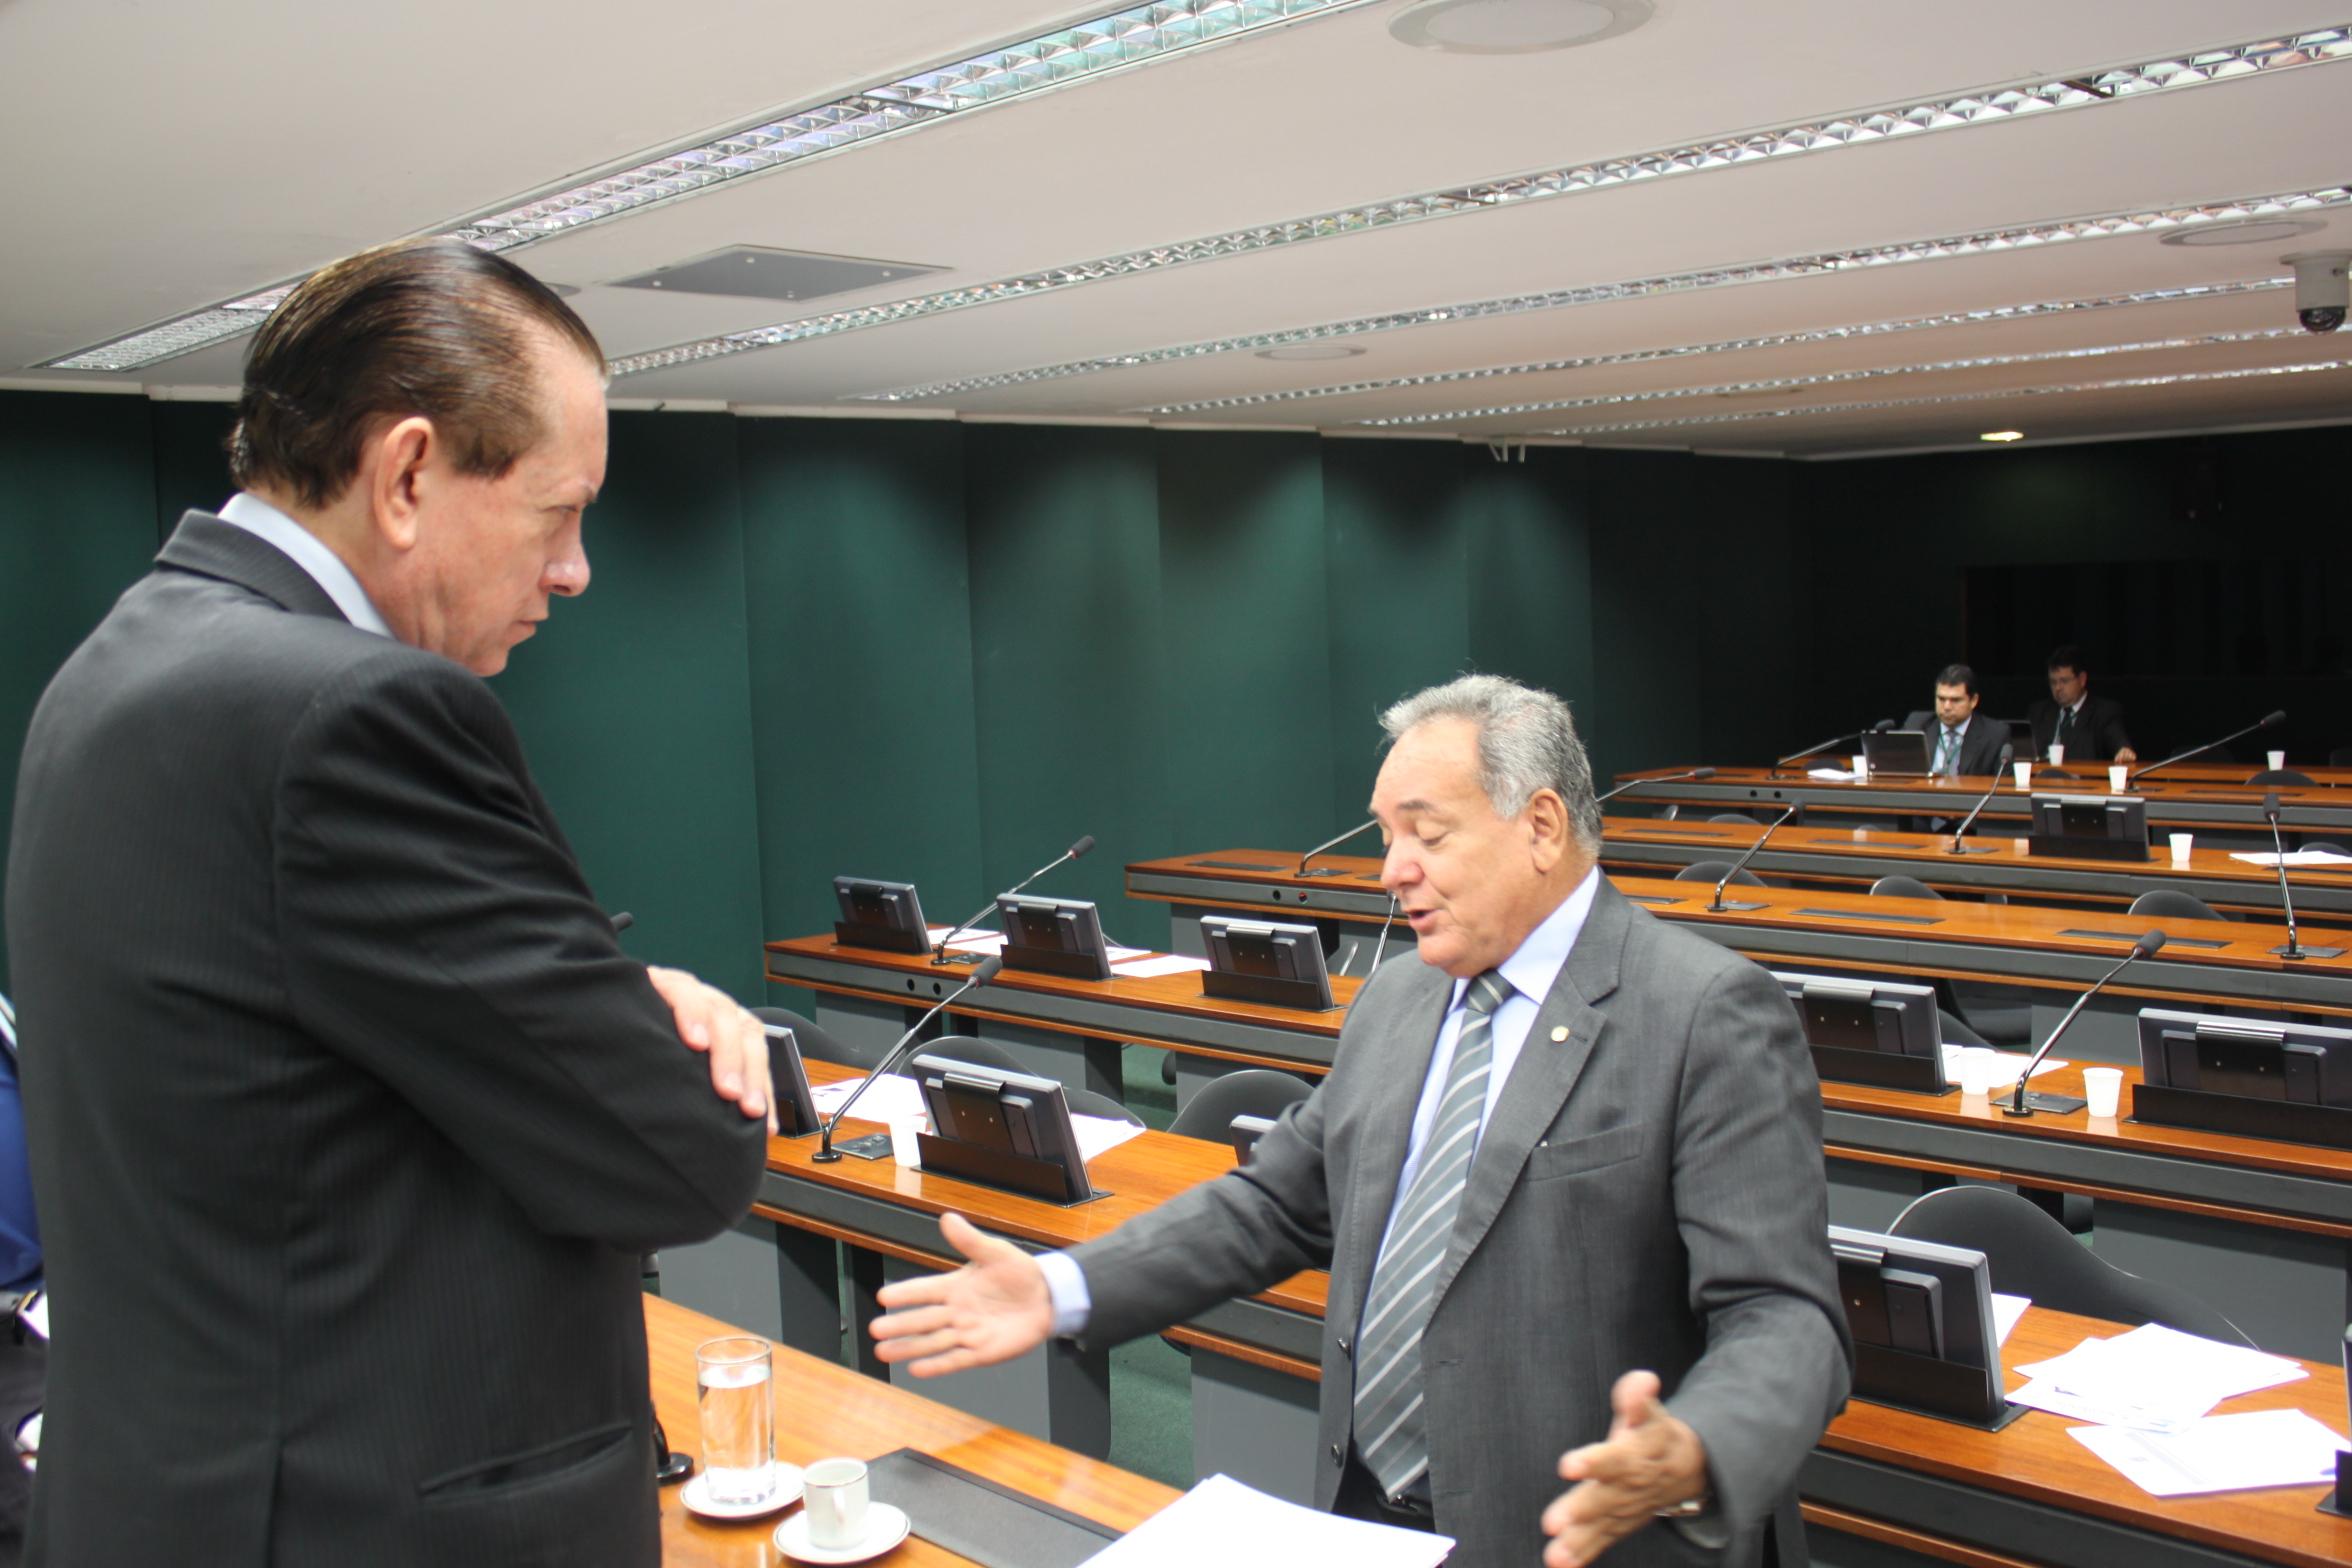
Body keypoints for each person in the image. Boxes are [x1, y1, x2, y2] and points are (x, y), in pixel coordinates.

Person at [3, 240, 774, 1568]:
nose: (577, 569)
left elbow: (290, 1049)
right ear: (409, 473)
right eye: (558, 511)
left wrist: (585, 1000)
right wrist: (656, 1028)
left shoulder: (114, 670)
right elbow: (674, 1157)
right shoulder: (355, 714)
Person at [871, 675, 1848, 1568]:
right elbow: (1272, 1203)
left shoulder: (1704, 1009)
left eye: (1426, 832)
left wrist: (1696, 1445)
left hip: (1581, 1539)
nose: (1391, 868)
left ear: (1542, 825)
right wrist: (1068, 1284)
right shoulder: (1395, 1000)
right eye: (1385, 834)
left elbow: (1788, 1316)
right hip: (1368, 1516)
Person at [2027, 645, 2137, 764]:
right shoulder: (2038, 712)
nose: (2058, 688)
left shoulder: (2103, 712)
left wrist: (2124, 750)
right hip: (2041, 779)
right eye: (2053, 682)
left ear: (2082, 679)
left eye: (2064, 681)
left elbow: (2118, 741)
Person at [1903, 663, 2009, 778]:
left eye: (1956, 700)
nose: (1947, 707)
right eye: (1941, 699)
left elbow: (2002, 786)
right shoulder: (1916, 724)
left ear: (1973, 700)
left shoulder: (1995, 735)